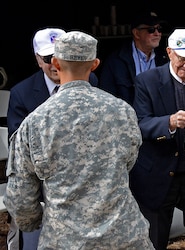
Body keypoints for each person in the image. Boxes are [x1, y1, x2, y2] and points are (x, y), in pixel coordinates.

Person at [4, 31, 154, 249]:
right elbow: (128, 162)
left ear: (55, 62)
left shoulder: (35, 122)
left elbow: (21, 197)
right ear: (94, 64)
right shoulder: (123, 111)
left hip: (65, 239)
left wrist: (36, 222)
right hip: (124, 236)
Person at [6, 27, 98, 250]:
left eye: (61, 57)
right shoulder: (22, 92)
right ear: (38, 60)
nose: (55, 64)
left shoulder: (90, 80)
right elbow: (18, 146)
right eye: (48, 58)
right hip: (42, 190)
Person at [130, 28, 185, 250]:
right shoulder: (147, 81)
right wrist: (169, 122)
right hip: (158, 170)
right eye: (183, 59)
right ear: (169, 52)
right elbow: (140, 124)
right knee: (154, 238)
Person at [98, 11, 168, 105]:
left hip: (158, 117)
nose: (157, 33)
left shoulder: (166, 58)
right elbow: (106, 97)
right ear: (136, 33)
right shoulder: (116, 61)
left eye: (159, 29)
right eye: (151, 30)